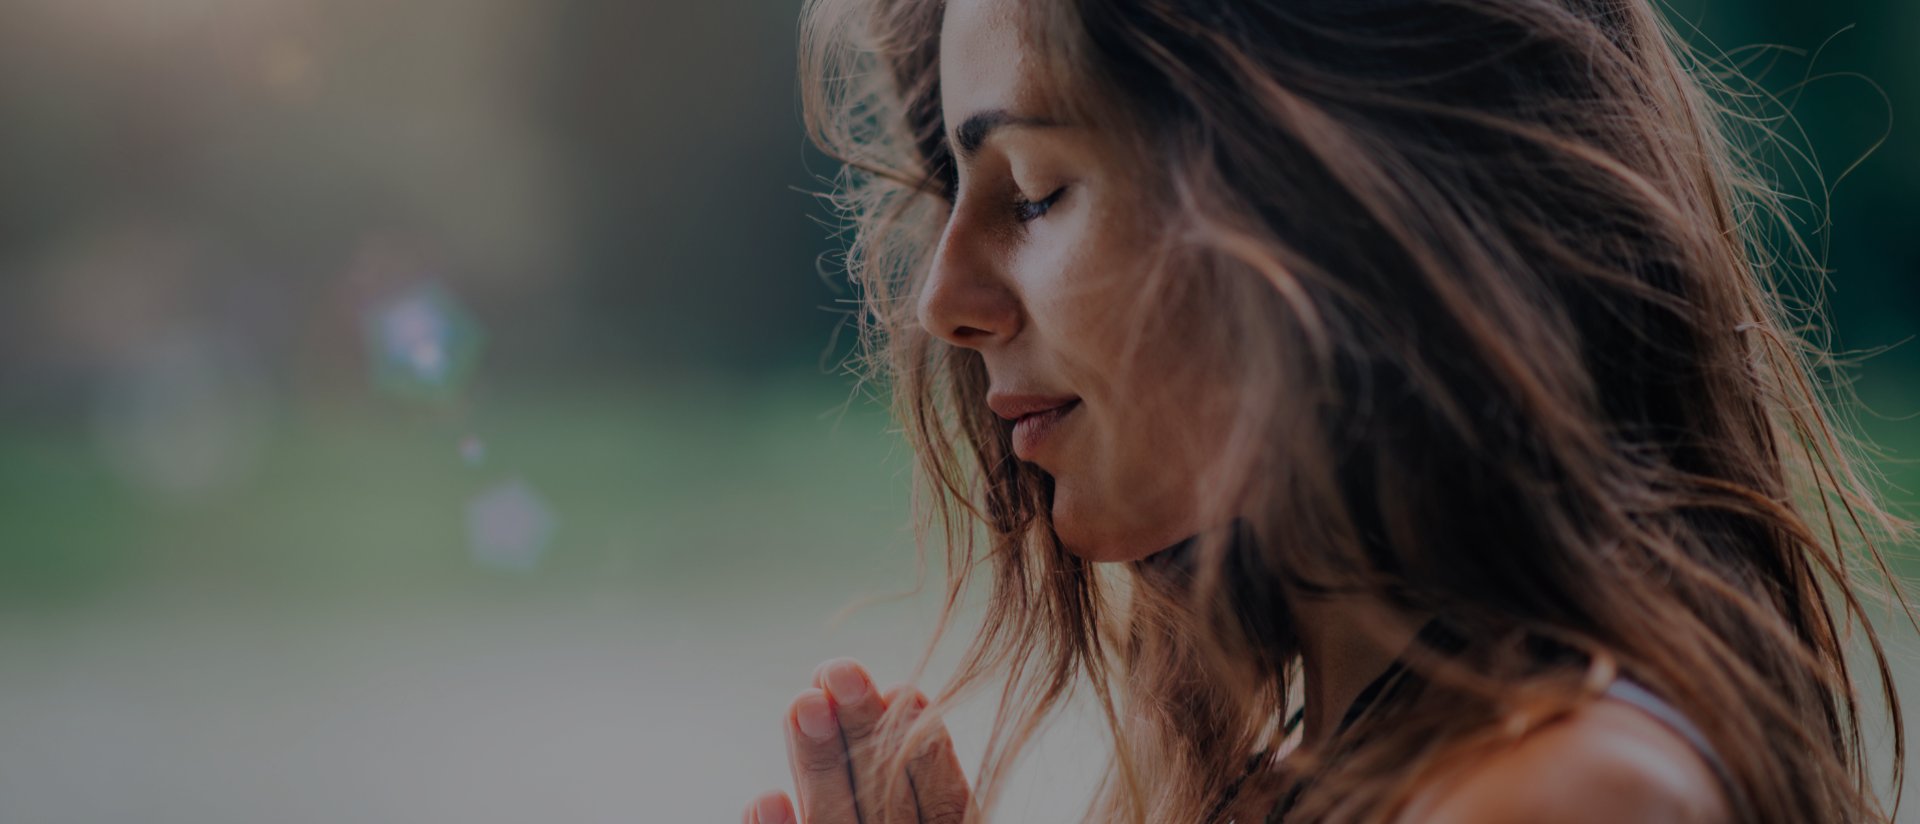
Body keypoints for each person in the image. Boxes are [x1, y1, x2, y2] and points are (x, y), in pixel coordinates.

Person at [746, 0, 1913, 821]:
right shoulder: (1315, 779)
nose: (942, 302)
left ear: (1322, 187)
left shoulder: (1558, 797)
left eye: (1037, 193)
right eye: (958, 199)